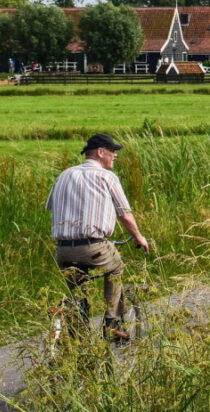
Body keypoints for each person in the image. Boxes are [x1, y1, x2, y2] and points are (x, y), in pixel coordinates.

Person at [46, 133, 149, 342]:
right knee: (116, 268)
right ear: (101, 153)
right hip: (93, 247)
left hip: (63, 250)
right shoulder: (107, 177)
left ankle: (78, 334)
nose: (115, 156)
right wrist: (138, 237)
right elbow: (124, 214)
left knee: (78, 292)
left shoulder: (63, 175)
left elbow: (51, 207)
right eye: (112, 151)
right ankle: (112, 323)